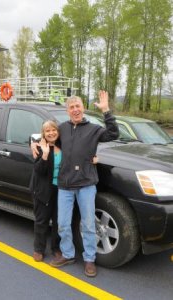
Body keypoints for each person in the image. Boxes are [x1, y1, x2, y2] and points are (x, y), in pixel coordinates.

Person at [32, 90, 119, 277]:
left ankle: (89, 259)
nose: (75, 110)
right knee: (63, 223)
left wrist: (106, 111)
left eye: (77, 106)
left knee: (88, 224)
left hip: (86, 185)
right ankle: (68, 254)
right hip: (64, 186)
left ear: (83, 108)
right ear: (67, 111)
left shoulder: (94, 129)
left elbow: (113, 134)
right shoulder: (62, 128)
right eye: (71, 107)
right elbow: (46, 134)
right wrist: (33, 143)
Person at [30, 120, 61, 262]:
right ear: (43, 134)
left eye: (53, 130)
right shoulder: (40, 147)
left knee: (58, 221)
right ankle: (39, 249)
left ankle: (56, 248)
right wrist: (45, 155)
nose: (51, 133)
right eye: (47, 131)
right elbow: (38, 170)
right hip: (43, 190)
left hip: (60, 189)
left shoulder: (63, 146)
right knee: (42, 220)